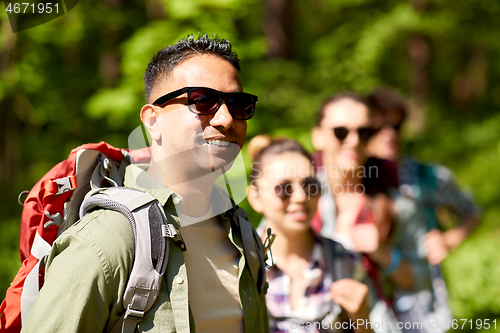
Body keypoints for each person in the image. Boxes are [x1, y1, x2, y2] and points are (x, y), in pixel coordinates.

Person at [21, 34, 269, 333]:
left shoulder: (243, 236)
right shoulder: (107, 240)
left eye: (239, 104)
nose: (227, 118)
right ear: (152, 120)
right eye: (203, 101)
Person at [310, 93, 430, 332]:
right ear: (318, 136)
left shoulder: (396, 203)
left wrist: (384, 254)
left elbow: (420, 280)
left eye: (364, 132)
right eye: (341, 132)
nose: (353, 141)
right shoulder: (296, 199)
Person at [366, 87, 481, 332]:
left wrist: (449, 239)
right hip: (372, 296)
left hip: (421, 296)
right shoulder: (354, 178)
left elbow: (471, 211)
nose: (389, 135)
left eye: (396, 126)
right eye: (378, 128)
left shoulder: (428, 176)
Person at [246, 135, 372, 333]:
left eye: (309, 185)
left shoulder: (344, 260)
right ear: (255, 198)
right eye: (284, 188)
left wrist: (362, 319)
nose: (300, 197)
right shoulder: (237, 265)